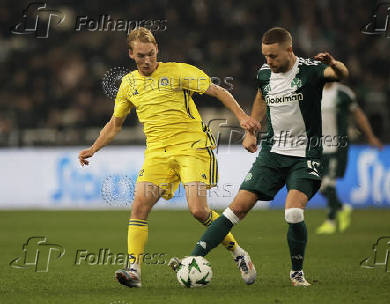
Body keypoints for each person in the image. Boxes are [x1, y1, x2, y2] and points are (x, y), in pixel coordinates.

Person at [78, 27, 260, 288]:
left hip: (192, 147)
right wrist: (94, 148)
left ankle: (239, 254)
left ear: (157, 51)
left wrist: (242, 118)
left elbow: (219, 91)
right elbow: (115, 123)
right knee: (139, 205)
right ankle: (134, 270)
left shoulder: (177, 71)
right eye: (141, 55)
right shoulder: (128, 84)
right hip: (157, 153)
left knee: (198, 210)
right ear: (131, 54)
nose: (147, 60)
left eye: (151, 54)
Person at [169, 27, 349, 286]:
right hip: (272, 154)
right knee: (236, 209)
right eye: (265, 55)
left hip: (305, 155)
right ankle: (192, 258)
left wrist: (335, 64)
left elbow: (342, 74)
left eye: (273, 56)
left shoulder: (311, 70)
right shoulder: (265, 74)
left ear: (289, 50)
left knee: (294, 214)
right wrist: (252, 129)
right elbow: (261, 97)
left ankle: (296, 273)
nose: (269, 61)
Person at [316, 82, 383, 234]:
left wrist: (371, 137)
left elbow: (358, 115)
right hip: (318, 146)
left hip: (337, 146)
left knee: (329, 183)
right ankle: (342, 208)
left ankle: (331, 221)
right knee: (320, 187)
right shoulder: (314, 90)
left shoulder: (343, 93)